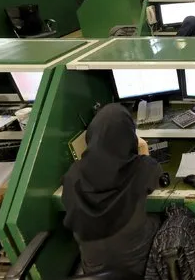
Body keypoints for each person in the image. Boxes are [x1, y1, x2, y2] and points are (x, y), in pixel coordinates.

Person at [62, 104, 162, 277]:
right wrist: (143, 146)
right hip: (138, 267)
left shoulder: (73, 174)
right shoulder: (141, 168)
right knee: (165, 217)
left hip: (93, 270)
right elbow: (154, 175)